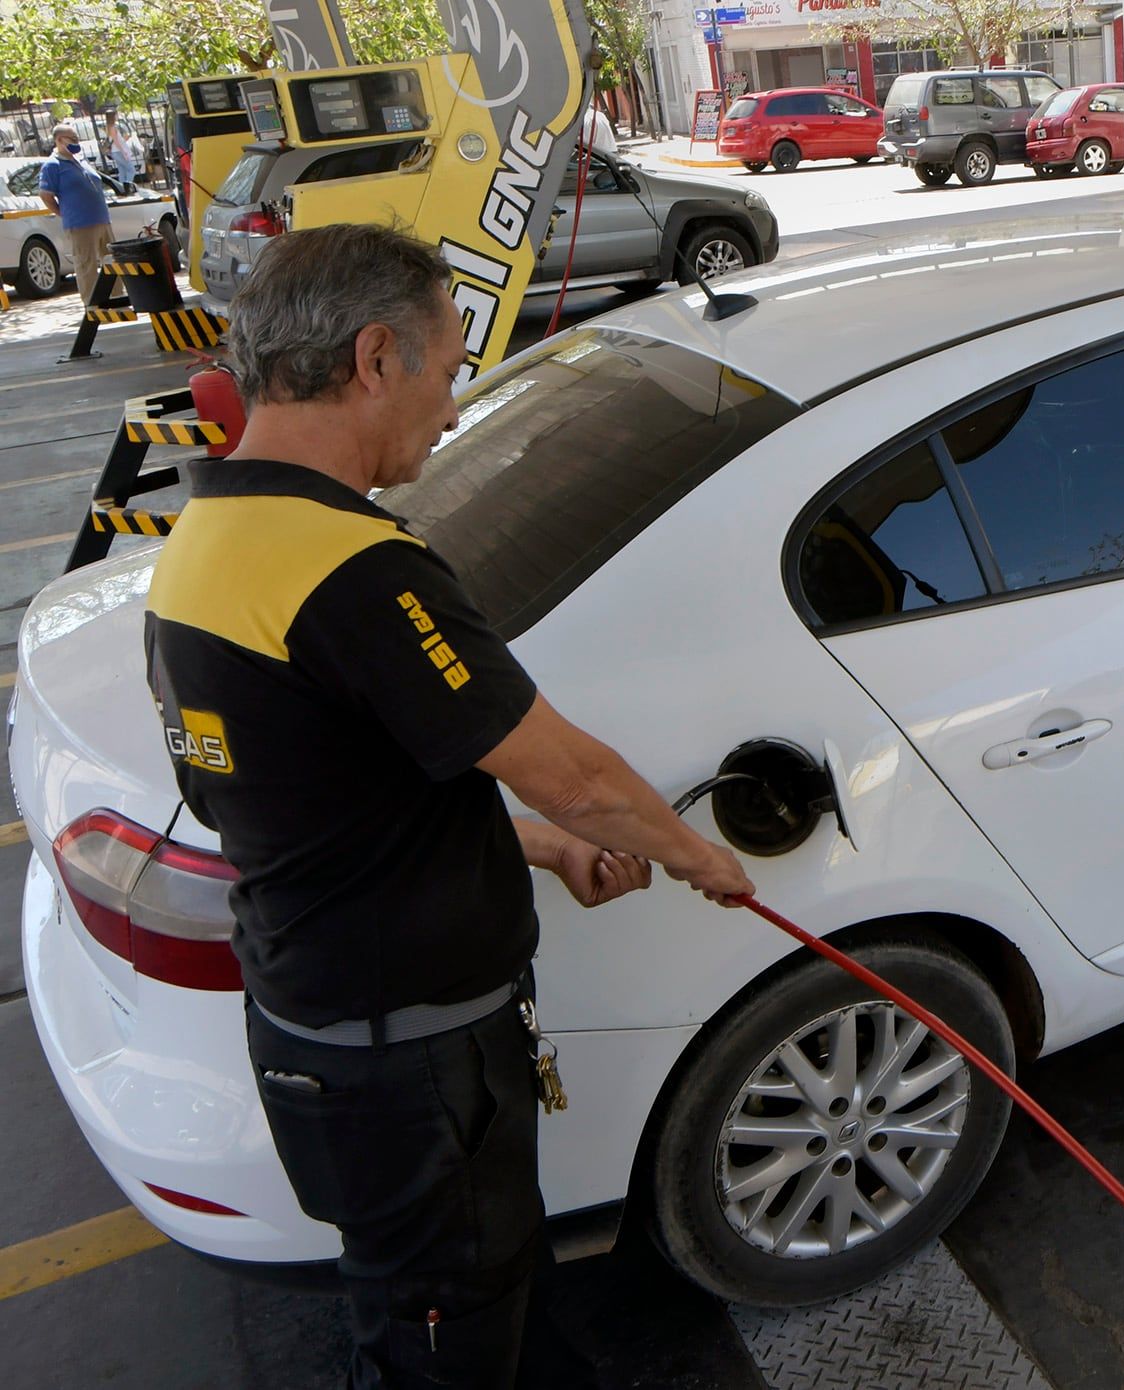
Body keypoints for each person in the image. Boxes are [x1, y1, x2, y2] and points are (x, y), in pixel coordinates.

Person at [143, 223, 756, 1389]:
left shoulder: (203, 547)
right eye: (450, 365)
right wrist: (699, 859)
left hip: (332, 1048)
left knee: (469, 1296)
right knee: (441, 1343)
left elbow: (325, 806)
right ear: (376, 358)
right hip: (412, 1072)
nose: (454, 403)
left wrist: (540, 849)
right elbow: (575, 774)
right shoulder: (353, 568)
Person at [37, 123, 113, 302]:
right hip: (80, 224)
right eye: (72, 139)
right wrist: (63, 213)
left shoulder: (80, 160)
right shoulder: (52, 165)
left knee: (111, 262)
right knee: (86, 266)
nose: (76, 142)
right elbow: (46, 195)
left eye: (76, 138)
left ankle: (117, 299)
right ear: (59, 140)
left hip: (102, 220)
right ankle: (93, 304)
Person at [104, 110, 136, 192]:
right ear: (113, 116)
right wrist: (123, 152)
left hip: (116, 151)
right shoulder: (112, 127)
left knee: (122, 171)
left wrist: (124, 139)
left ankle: (122, 189)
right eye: (116, 115)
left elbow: (116, 140)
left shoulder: (109, 127)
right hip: (118, 151)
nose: (117, 116)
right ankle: (127, 187)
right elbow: (116, 141)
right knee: (131, 170)